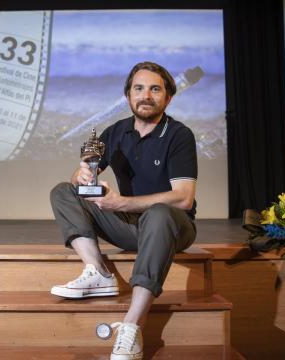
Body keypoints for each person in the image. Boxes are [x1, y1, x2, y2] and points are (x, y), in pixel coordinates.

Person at [49, 61, 198, 360]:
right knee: (63, 191)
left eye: (155, 89)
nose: (146, 95)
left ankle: (131, 327)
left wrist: (122, 203)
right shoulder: (115, 132)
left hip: (173, 226)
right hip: (131, 226)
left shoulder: (179, 135)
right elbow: (80, 177)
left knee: (158, 212)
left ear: (168, 97)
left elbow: (184, 199)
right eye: (138, 88)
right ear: (128, 96)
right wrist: (82, 176)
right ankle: (97, 271)